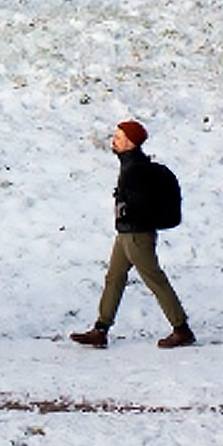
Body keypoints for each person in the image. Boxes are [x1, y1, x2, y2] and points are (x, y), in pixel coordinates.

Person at [69, 120, 195, 349]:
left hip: (137, 236)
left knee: (155, 280)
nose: (113, 141)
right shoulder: (131, 165)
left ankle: (181, 329)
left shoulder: (137, 170)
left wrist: (130, 215)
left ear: (130, 142)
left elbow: (141, 204)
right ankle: (100, 329)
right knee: (114, 278)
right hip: (126, 234)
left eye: (118, 137)